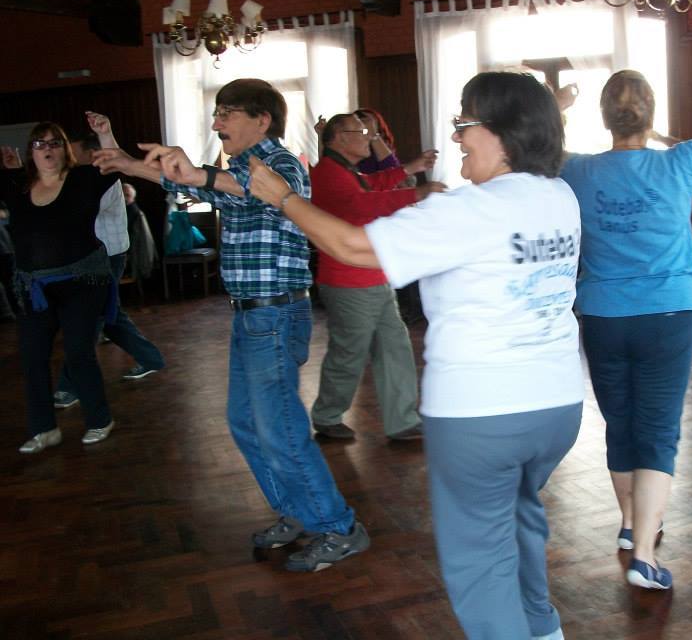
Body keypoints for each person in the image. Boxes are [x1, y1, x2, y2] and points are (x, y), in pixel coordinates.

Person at [248, 71, 582, 640]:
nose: (456, 137)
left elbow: (351, 245)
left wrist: (283, 197)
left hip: (482, 416)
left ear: (504, 130)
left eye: (464, 123)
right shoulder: (559, 196)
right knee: (519, 522)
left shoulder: (470, 210)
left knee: (481, 563)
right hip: (556, 408)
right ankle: (543, 630)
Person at [93, 79, 367, 572]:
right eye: (217, 113)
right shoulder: (239, 168)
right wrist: (131, 164)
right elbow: (206, 186)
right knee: (245, 424)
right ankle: (296, 511)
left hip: (275, 315)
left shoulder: (281, 165)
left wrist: (195, 174)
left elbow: (241, 189)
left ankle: (337, 527)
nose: (217, 122)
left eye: (227, 113)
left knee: (280, 430)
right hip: (251, 316)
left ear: (262, 120)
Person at [559, 54, 692, 590]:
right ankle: (644, 554)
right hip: (667, 313)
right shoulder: (678, 163)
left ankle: (629, 525)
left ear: (605, 117)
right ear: (651, 114)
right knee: (658, 429)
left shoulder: (578, 169)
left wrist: (557, 105)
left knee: (620, 423)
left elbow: (537, 147)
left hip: (602, 314)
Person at [309, 112, 442, 441]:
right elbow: (362, 204)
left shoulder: (345, 170)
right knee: (349, 352)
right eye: (362, 132)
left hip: (372, 276)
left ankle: (403, 422)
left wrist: (410, 171)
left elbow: (373, 185)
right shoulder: (327, 173)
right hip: (348, 281)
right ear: (340, 138)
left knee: (395, 347)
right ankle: (327, 416)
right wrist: (416, 193)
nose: (369, 137)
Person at [1, 122, 120, 452]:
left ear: (65, 149)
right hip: (34, 288)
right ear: (31, 152)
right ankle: (44, 429)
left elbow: (114, 164)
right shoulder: (18, 184)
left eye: (54, 143)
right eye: (40, 144)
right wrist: (9, 167)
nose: (48, 149)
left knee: (78, 353)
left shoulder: (82, 179)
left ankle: (99, 419)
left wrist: (105, 132)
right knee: (32, 357)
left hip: (82, 283)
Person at [53, 113, 165, 412]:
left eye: (73, 152)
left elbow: (79, 211)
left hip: (107, 256)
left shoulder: (102, 177)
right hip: (95, 257)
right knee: (108, 315)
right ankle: (151, 359)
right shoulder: (86, 177)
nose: (68, 158)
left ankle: (69, 386)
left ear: (91, 154)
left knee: (88, 320)